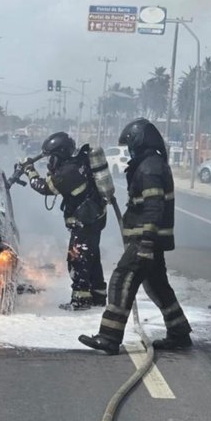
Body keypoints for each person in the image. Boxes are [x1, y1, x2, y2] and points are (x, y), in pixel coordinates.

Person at [79, 118, 193, 355]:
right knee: (158, 286)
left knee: (121, 280)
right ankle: (179, 332)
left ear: (140, 142)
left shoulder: (150, 168)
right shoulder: (150, 164)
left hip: (145, 239)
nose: (129, 150)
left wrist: (146, 242)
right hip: (147, 239)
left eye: (131, 145)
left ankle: (109, 337)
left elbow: (154, 206)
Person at [21, 132, 107, 310]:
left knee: (78, 259)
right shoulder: (78, 164)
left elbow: (44, 187)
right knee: (92, 258)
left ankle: (80, 300)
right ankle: (98, 297)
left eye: (52, 157)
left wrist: (29, 170)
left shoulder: (69, 172)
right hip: (94, 219)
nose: (50, 161)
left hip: (85, 223)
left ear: (60, 154)